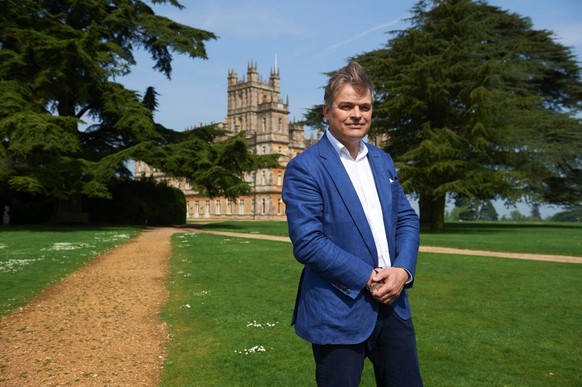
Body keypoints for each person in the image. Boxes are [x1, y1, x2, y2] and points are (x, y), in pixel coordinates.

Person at [282, 61, 422, 387]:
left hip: (394, 304)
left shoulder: (382, 160)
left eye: (365, 107)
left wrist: (402, 270)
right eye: (346, 106)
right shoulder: (306, 167)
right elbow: (308, 241)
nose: (357, 114)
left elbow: (406, 219)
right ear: (327, 111)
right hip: (338, 310)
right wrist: (369, 278)